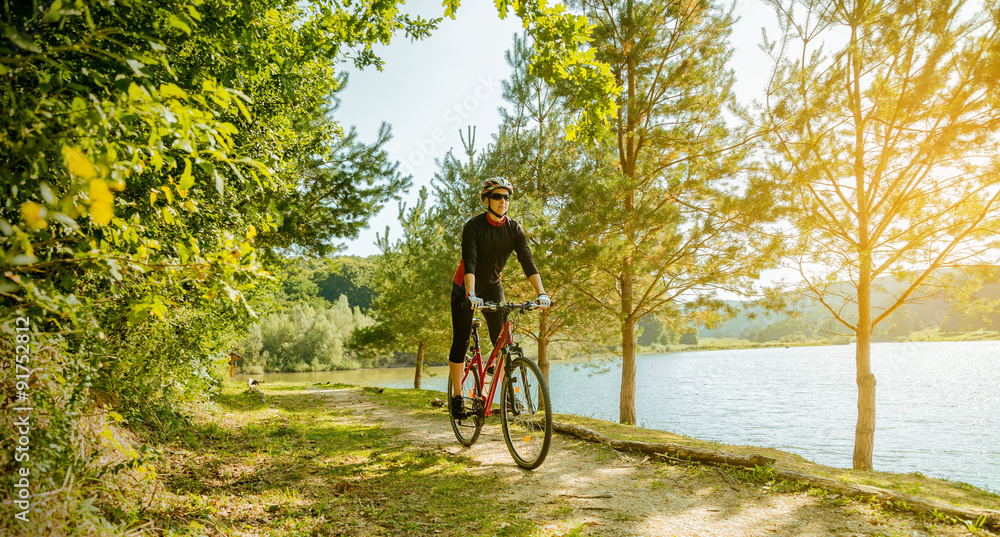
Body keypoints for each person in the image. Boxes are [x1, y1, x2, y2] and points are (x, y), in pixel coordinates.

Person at [449, 177, 550, 419]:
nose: (503, 201)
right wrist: (471, 294)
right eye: (497, 196)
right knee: (462, 340)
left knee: (502, 340)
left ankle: (505, 393)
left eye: (506, 197)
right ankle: (456, 397)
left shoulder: (514, 228)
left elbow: (528, 262)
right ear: (486, 200)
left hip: (493, 286)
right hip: (465, 287)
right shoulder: (473, 227)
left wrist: (542, 293)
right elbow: (470, 261)